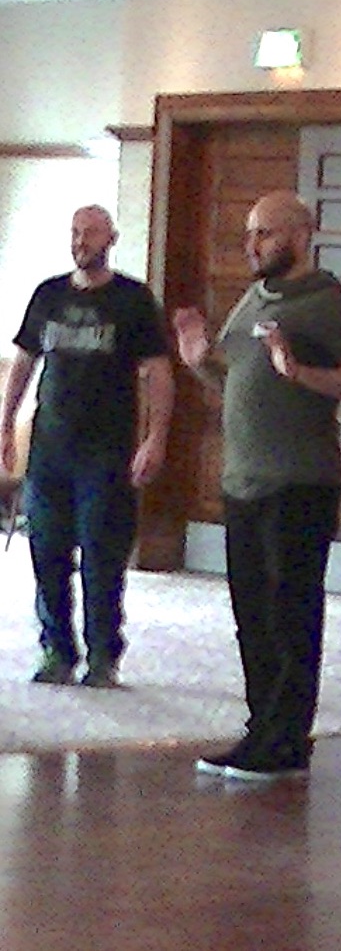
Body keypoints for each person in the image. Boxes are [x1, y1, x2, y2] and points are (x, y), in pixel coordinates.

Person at [173, 190, 341, 781]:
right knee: (251, 614)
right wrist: (198, 361)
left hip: (299, 483)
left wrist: (302, 373)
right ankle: (261, 729)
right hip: (244, 480)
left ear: (300, 235)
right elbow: (243, 381)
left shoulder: (325, 301)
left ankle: (287, 741)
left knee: (288, 615)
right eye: (249, 233)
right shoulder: (256, 298)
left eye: (265, 233)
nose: (252, 244)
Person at [0, 205, 173, 689]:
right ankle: (57, 650)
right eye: (75, 232)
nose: (81, 241)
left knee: (103, 556)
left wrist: (155, 437)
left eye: (91, 233)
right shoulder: (48, 295)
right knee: (46, 552)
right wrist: (6, 423)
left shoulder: (133, 300)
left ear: (111, 239)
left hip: (107, 451)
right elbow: (24, 362)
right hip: (49, 449)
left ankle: (103, 655)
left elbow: (158, 372)